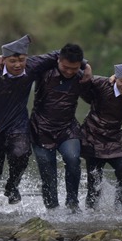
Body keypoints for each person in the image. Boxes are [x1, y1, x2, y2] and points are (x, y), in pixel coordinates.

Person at [0, 35, 60, 211]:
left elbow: (61, 55)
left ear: (26, 59)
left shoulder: (32, 66)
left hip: (18, 125)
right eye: (12, 61)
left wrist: (86, 64)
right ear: (3, 59)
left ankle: (12, 185)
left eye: (21, 60)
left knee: (21, 154)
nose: (17, 65)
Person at [29, 43, 90, 211]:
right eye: (66, 67)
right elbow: (29, 62)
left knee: (73, 159)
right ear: (58, 60)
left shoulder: (81, 76)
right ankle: (52, 207)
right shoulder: (43, 72)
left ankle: (72, 203)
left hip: (67, 127)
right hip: (40, 128)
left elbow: (101, 90)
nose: (70, 71)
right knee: (47, 169)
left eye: (74, 68)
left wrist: (87, 68)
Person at [80, 60, 122, 209]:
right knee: (94, 178)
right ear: (115, 78)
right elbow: (81, 82)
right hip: (93, 137)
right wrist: (87, 67)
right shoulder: (101, 83)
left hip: (115, 137)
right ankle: (91, 211)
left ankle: (121, 210)